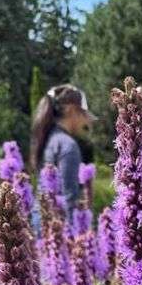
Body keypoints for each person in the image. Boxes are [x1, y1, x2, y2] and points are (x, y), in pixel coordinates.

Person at [30, 84, 96, 213]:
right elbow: (69, 199)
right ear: (72, 110)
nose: (86, 122)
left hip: (40, 219)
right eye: (84, 114)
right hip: (57, 224)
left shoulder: (47, 138)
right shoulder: (68, 145)